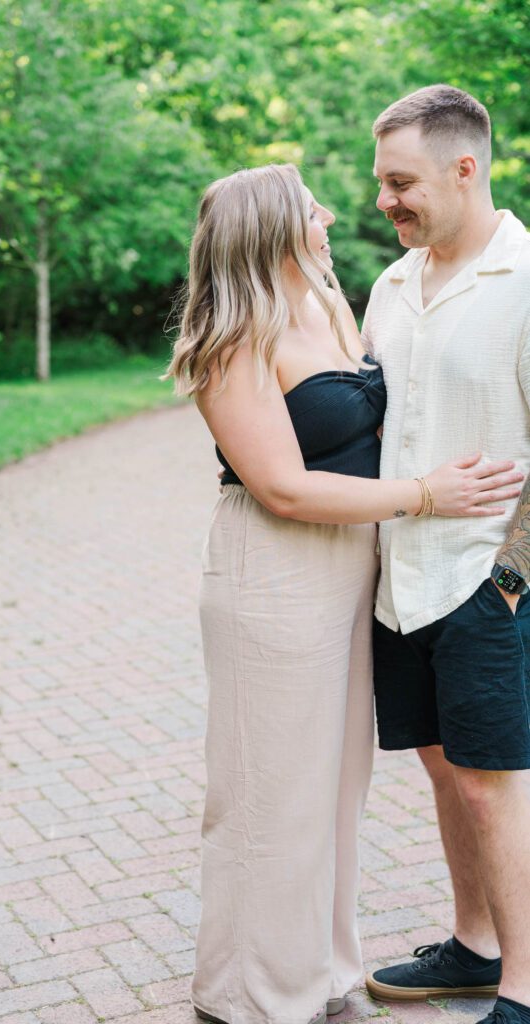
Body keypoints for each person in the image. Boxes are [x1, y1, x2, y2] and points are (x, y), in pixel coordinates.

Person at [165, 162, 522, 1024]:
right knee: (264, 791)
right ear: (271, 229)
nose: (329, 216)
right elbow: (283, 488)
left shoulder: (327, 306)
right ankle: (250, 993)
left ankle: (319, 971)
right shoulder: (228, 340)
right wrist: (426, 496)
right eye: (311, 208)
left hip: (348, 576)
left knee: (330, 790)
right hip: (273, 574)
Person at [361, 85, 530, 1024]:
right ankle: (473, 946)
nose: (383, 201)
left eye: (400, 182)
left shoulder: (525, 279)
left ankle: (523, 988)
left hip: (483, 580)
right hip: (398, 583)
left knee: (494, 782)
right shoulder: (391, 285)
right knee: (440, 767)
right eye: (381, 181)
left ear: (464, 169)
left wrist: (509, 578)